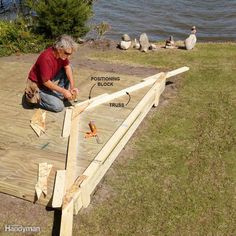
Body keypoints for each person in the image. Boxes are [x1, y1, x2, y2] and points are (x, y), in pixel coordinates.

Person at [24, 34, 79, 112]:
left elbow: (67, 67)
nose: (68, 56)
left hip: (47, 79)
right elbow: (46, 82)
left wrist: (72, 87)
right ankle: (34, 99)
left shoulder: (61, 55)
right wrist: (64, 91)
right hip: (38, 85)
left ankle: (59, 95)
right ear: (59, 49)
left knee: (70, 67)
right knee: (58, 107)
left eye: (70, 54)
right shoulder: (46, 58)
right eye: (67, 53)